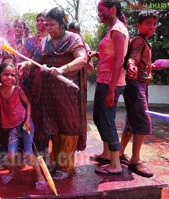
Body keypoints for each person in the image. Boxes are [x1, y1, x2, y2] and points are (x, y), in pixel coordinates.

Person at [19, 7, 88, 180]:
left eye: (52, 24)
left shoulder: (73, 39)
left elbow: (82, 59)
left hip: (67, 92)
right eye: (46, 24)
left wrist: (63, 69)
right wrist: (26, 65)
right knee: (54, 127)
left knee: (68, 127)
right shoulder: (45, 42)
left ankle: (66, 166)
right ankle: (57, 162)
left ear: (62, 23)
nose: (48, 28)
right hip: (49, 92)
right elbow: (36, 61)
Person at [88, 0, 129, 175]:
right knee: (98, 118)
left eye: (101, 10)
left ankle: (116, 164)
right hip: (103, 81)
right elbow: (112, 53)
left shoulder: (118, 30)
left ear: (112, 9)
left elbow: (120, 60)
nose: (99, 14)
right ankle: (106, 154)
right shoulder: (112, 29)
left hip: (111, 83)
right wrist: (99, 54)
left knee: (107, 121)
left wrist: (112, 89)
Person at [120, 10, 160, 178]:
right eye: (148, 23)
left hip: (139, 85)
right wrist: (131, 64)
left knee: (132, 121)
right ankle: (135, 160)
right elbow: (133, 56)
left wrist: (150, 67)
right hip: (136, 86)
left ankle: (120, 153)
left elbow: (139, 59)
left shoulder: (144, 41)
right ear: (139, 25)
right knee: (143, 121)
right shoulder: (138, 40)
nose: (152, 27)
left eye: (154, 24)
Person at [0, 62, 47, 191]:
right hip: (13, 128)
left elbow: (28, 104)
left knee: (28, 153)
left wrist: (28, 120)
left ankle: (40, 177)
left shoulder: (18, 90)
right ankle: (11, 173)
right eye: (6, 74)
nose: (9, 78)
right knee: (11, 154)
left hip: (25, 125)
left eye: (12, 75)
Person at [20, 11, 49, 160]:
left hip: (47, 84)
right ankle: (29, 146)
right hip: (31, 83)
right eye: (38, 20)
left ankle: (43, 147)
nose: (40, 23)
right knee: (31, 113)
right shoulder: (30, 40)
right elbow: (24, 57)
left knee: (45, 116)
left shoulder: (53, 40)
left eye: (43, 20)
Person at [67, 20, 94, 151]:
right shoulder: (63, 44)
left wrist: (86, 59)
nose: (73, 37)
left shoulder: (84, 46)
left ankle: (79, 144)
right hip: (65, 85)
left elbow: (90, 69)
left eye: (75, 33)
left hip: (79, 86)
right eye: (70, 33)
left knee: (78, 115)